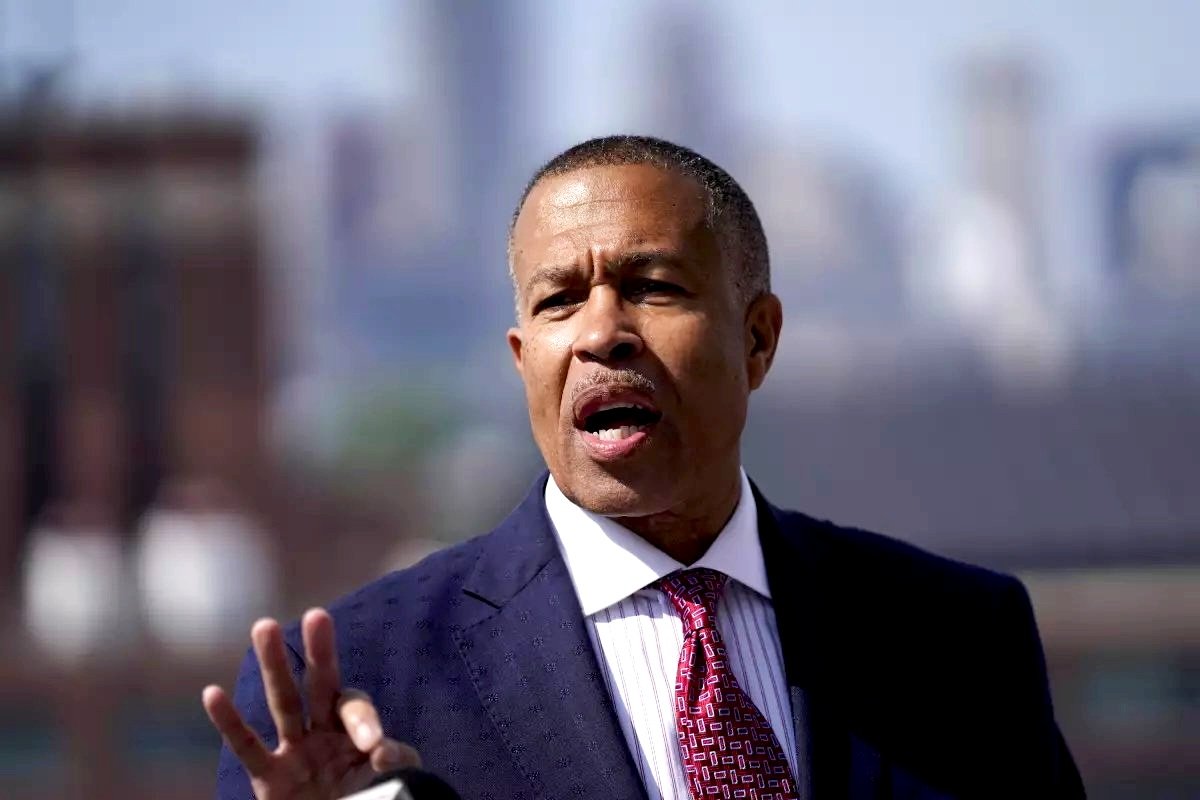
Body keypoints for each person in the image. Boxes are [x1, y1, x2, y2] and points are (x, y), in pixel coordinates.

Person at [206, 136, 1085, 800]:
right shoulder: (356, 681)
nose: (599, 333)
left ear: (758, 337)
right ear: (522, 359)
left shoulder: (960, 636)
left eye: (653, 286)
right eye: (559, 301)